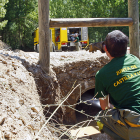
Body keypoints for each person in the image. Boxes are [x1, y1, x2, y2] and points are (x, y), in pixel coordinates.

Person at [94, 30, 140, 140]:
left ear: (105, 49)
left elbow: (104, 107)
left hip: (136, 124)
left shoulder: (101, 74)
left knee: (101, 117)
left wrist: (114, 108)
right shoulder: (135, 59)